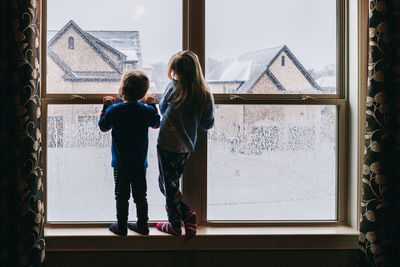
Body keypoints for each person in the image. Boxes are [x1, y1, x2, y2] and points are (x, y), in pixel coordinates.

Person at [156, 51, 215, 241]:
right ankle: (185, 217)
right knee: (168, 184)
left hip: (166, 144)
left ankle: (177, 222)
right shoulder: (204, 94)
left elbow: (163, 109)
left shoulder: (173, 88)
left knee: (168, 185)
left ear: (175, 71)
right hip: (184, 148)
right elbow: (207, 123)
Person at [98, 70, 160, 236]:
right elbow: (156, 123)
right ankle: (143, 225)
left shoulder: (115, 110)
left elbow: (103, 126)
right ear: (144, 93)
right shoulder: (146, 110)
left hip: (121, 163)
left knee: (121, 195)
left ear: (123, 90)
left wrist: (106, 106)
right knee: (141, 196)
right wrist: (152, 104)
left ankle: (122, 226)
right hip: (140, 163)